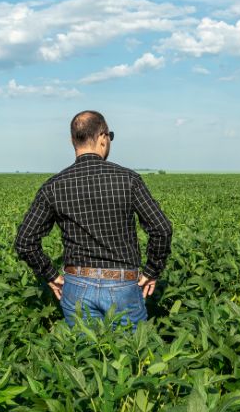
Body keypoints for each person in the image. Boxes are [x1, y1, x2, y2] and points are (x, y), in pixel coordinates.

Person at [15, 110, 173, 329]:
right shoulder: (128, 180)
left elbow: (25, 241)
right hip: (122, 283)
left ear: (73, 141)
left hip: (76, 284)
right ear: (102, 136)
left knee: (87, 358)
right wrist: (151, 271)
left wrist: (51, 276)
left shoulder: (53, 186)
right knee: (131, 356)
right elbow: (161, 229)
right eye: (110, 137)